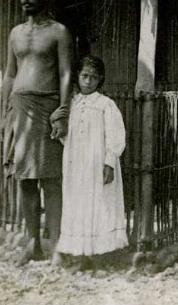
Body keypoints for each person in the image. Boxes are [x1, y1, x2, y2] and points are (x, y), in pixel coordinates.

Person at [2, 0, 73, 265]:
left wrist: (64, 110)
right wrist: (5, 111)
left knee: (51, 179)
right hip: (19, 108)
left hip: (47, 109)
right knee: (25, 180)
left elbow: (66, 73)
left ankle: (55, 243)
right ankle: (33, 244)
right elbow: (9, 73)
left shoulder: (59, 32)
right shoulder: (15, 33)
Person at [56, 55, 128, 265]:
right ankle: (80, 255)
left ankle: (99, 256)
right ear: (77, 76)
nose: (88, 81)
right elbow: (64, 134)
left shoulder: (106, 104)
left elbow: (115, 135)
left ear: (100, 80)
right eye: (84, 76)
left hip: (97, 165)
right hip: (76, 165)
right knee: (77, 205)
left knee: (99, 205)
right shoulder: (70, 104)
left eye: (93, 78)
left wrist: (109, 162)